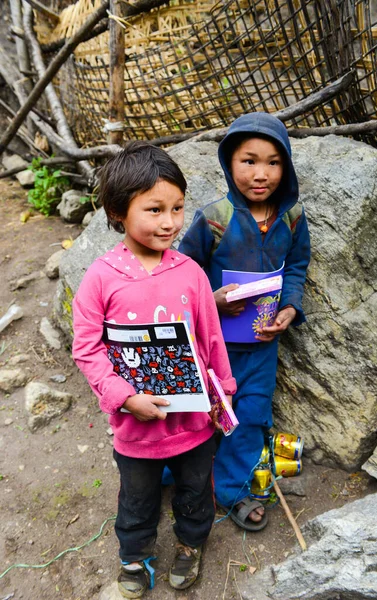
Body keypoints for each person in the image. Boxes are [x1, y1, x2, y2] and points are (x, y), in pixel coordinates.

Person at [72, 141, 236, 598]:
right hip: (135, 425)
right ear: (118, 211)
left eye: (178, 207)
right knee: (137, 497)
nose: (169, 222)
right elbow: (87, 349)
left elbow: (211, 339)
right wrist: (124, 397)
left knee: (194, 488)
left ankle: (190, 544)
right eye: (155, 209)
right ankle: (135, 555)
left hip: (193, 419)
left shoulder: (191, 274)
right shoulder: (100, 279)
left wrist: (223, 389)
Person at [179, 112, 310, 531]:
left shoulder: (292, 218)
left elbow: (296, 266)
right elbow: (182, 273)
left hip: (263, 346)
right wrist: (211, 301)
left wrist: (290, 308)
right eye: (248, 161)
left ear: (285, 166)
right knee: (205, 413)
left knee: (252, 413)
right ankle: (174, 473)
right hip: (213, 346)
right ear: (228, 162)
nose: (261, 173)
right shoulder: (214, 218)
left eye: (273, 162)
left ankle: (233, 491)